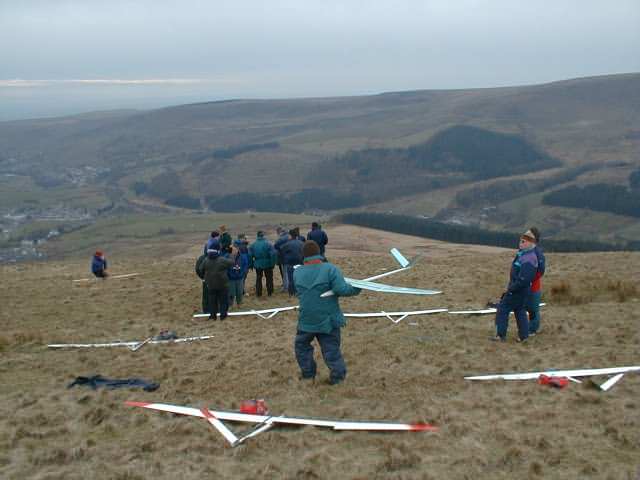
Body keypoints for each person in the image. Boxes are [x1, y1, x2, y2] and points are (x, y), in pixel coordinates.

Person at [293, 240, 361, 385]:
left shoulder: (297, 272)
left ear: (303, 256)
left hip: (306, 319)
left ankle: (308, 374)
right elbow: (341, 289)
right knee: (331, 349)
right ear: (319, 253)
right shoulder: (330, 269)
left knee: (301, 347)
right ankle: (337, 377)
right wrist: (357, 288)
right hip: (328, 320)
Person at [492, 229, 538, 343]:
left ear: (530, 243)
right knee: (520, 310)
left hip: (517, 290)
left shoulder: (529, 258)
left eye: (523, 241)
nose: (520, 243)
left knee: (502, 309)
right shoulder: (524, 254)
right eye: (520, 241)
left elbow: (524, 279)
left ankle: (500, 335)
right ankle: (524, 336)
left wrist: (512, 288)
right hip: (521, 290)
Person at [196, 240, 235, 320]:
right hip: (222, 284)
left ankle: (212, 316)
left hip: (210, 284)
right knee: (223, 301)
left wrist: (205, 277)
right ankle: (223, 316)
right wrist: (230, 254)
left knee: (212, 301)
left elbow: (200, 269)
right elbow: (232, 263)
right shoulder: (221, 260)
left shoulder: (206, 260)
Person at [526, 227, 546, 336]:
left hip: (533, 287)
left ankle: (532, 330)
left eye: (529, 236)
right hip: (523, 286)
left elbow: (541, 270)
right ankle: (525, 329)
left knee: (533, 310)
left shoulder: (538, 254)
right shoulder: (523, 250)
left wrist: (530, 279)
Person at [249, 231, 277, 297]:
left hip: (258, 264)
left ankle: (259, 293)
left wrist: (251, 264)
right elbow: (273, 254)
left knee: (258, 279)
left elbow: (250, 255)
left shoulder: (253, 245)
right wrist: (272, 263)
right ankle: (270, 292)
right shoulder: (268, 244)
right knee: (269, 278)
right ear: (263, 236)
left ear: (257, 236)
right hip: (268, 264)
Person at [280, 229, 304, 296]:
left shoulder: (287, 244)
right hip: (300, 263)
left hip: (290, 263)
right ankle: (299, 292)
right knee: (299, 278)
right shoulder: (301, 243)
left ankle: (291, 293)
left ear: (290, 236)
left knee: (291, 279)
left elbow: (282, 251)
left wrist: (284, 260)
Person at [228, 239, 250, 308]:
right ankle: (230, 305)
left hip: (240, 278)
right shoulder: (228, 257)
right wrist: (230, 274)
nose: (234, 250)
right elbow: (226, 267)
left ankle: (239, 304)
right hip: (231, 278)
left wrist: (242, 273)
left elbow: (245, 266)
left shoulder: (243, 257)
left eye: (236, 248)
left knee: (239, 292)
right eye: (233, 248)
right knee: (231, 293)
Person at [274, 227, 290, 291]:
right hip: (290, 257)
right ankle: (289, 285)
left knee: (285, 273)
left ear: (281, 232)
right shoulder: (289, 236)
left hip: (284, 257)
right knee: (290, 272)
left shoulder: (282, 238)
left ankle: (286, 287)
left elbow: (275, 245)